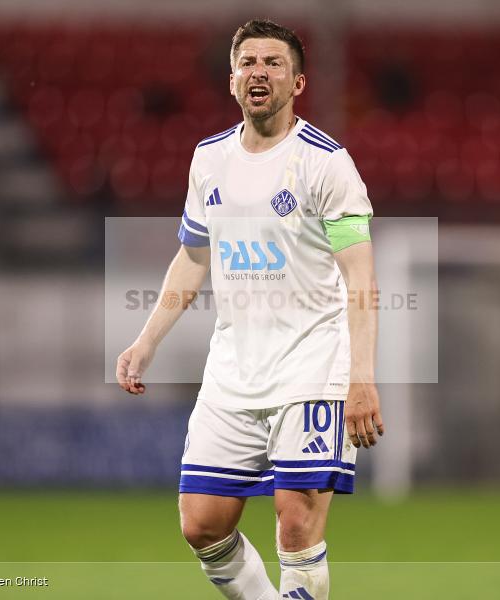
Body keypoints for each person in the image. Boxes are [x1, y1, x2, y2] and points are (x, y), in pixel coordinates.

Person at [116, 19, 382, 600]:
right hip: (233, 369)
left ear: (298, 82)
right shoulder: (208, 160)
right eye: (248, 62)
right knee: (202, 523)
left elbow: (360, 277)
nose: (259, 71)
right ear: (231, 79)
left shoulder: (326, 163)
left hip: (312, 364)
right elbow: (192, 259)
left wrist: (361, 377)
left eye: (274, 63)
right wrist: (146, 341)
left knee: (295, 521)